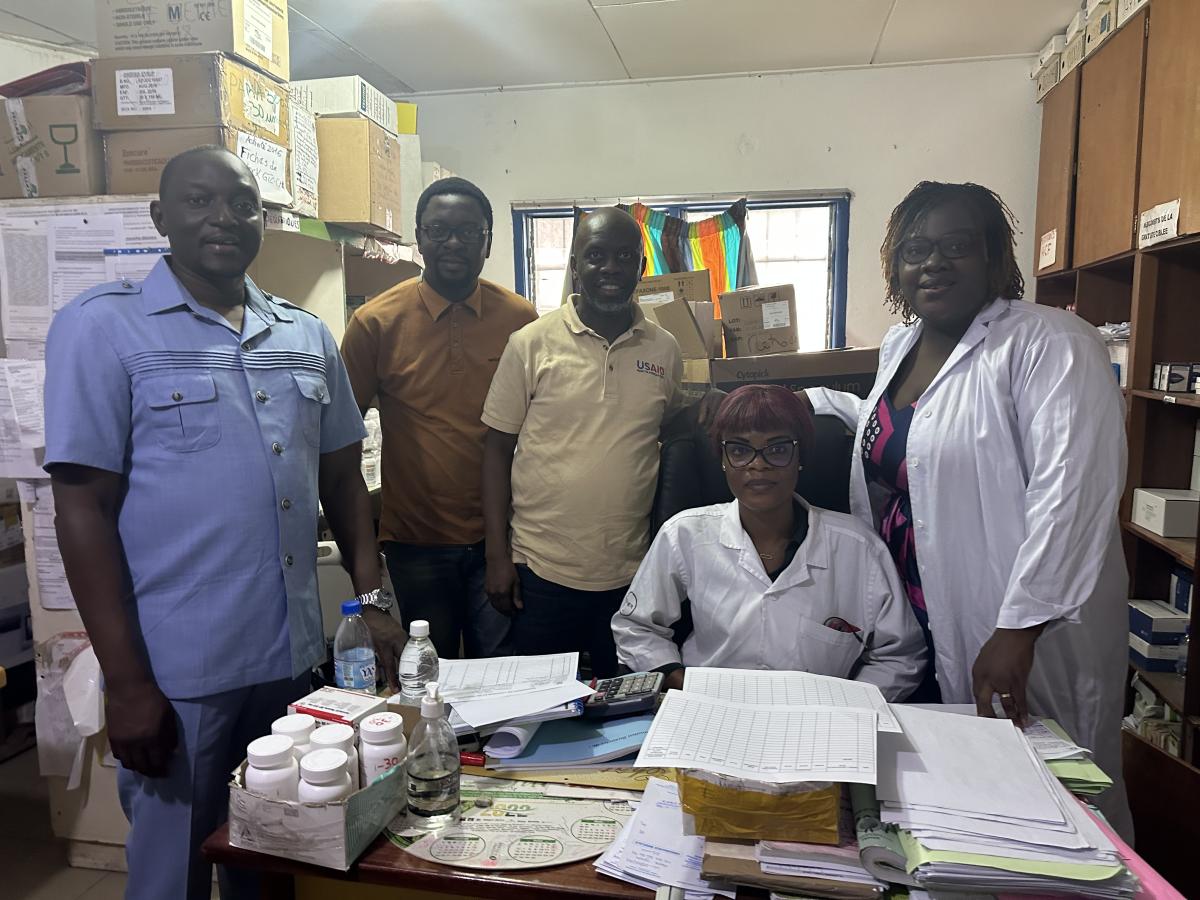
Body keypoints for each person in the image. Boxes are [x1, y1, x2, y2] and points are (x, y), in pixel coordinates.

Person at [43, 146, 407, 900]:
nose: (223, 220)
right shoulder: (102, 330)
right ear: (161, 219)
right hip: (178, 671)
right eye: (199, 202)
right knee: (173, 869)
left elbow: (342, 481)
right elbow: (82, 511)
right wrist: (127, 683)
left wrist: (373, 604)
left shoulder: (304, 337)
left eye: (241, 204)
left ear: (261, 220)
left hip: (289, 660)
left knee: (273, 854)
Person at [805, 181, 1130, 832]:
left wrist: (1019, 628)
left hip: (1016, 620)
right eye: (916, 248)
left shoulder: (1052, 343)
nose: (934, 262)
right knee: (954, 794)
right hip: (919, 607)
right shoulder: (902, 346)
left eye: (958, 245)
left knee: (1055, 797)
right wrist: (803, 400)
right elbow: (909, 440)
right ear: (894, 265)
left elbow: (1073, 492)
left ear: (993, 258)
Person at [481, 207, 694, 678]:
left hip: (632, 575)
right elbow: (496, 451)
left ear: (642, 267)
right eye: (596, 256)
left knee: (629, 712)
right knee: (543, 713)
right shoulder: (530, 343)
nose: (611, 268)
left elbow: (668, 434)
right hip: (542, 572)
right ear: (575, 265)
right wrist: (497, 557)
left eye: (624, 256)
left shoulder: (664, 349)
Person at [611, 385, 926, 700]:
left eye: (777, 449)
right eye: (739, 449)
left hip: (819, 722)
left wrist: (848, 705)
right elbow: (636, 628)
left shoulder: (858, 548)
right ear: (722, 459)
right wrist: (680, 684)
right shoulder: (683, 534)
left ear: (800, 456)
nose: (757, 465)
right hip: (710, 712)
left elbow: (901, 654)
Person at [341, 177, 537, 659]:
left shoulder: (520, 319)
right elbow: (339, 448)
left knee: (504, 679)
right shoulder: (376, 323)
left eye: (469, 232)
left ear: (488, 242)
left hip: (505, 536)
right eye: (439, 230)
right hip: (416, 542)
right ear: (419, 237)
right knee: (430, 678)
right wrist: (368, 592)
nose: (453, 242)